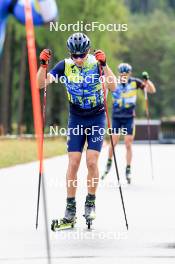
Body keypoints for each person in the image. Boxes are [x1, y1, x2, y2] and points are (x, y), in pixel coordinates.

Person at [37, 33, 116, 226]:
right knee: (73, 163)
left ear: (88, 52)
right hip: (77, 117)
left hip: (97, 116)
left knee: (91, 161)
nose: (79, 59)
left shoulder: (97, 63)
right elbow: (41, 83)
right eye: (75, 56)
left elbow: (113, 86)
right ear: (70, 54)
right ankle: (70, 207)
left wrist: (105, 65)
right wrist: (42, 66)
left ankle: (90, 202)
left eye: (82, 55)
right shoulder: (64, 66)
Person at [102, 63, 156, 184]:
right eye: (121, 74)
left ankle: (128, 169)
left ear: (129, 74)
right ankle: (109, 163)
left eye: (125, 74)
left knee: (128, 143)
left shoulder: (135, 82)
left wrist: (147, 81)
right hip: (116, 117)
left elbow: (151, 90)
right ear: (118, 73)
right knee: (114, 141)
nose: (123, 76)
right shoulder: (114, 82)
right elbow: (104, 87)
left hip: (129, 118)